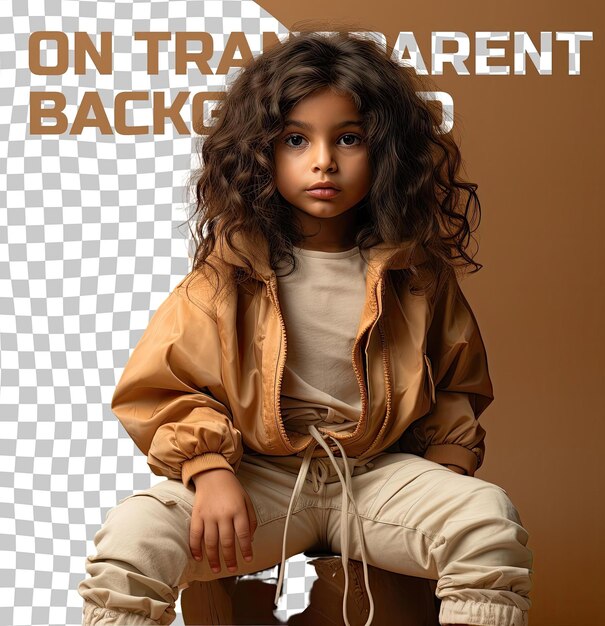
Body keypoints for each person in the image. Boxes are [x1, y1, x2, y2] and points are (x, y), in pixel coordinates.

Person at [77, 28, 533, 626]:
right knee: (133, 536)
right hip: (257, 481)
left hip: (374, 477)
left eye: (349, 139)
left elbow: (456, 383)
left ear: (388, 152)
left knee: (488, 521)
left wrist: (440, 477)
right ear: (261, 154)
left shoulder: (415, 273)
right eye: (297, 140)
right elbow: (163, 386)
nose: (324, 160)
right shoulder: (227, 274)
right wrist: (209, 470)